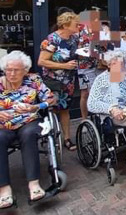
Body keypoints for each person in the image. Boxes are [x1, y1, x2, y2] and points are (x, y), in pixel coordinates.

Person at [0, 51, 55, 209]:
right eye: (8, 69)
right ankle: (4, 190)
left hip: (28, 121)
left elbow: (51, 98)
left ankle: (34, 186)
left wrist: (35, 106)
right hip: (0, 125)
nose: (12, 73)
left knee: (29, 134)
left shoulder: (33, 81)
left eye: (16, 70)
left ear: (25, 70)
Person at [38, 12, 79, 151]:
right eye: (75, 24)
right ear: (66, 25)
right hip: (53, 81)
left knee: (65, 109)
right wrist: (64, 66)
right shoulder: (52, 39)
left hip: (68, 81)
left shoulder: (73, 38)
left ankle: (67, 139)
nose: (78, 26)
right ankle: (50, 137)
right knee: (52, 109)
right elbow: (41, 61)